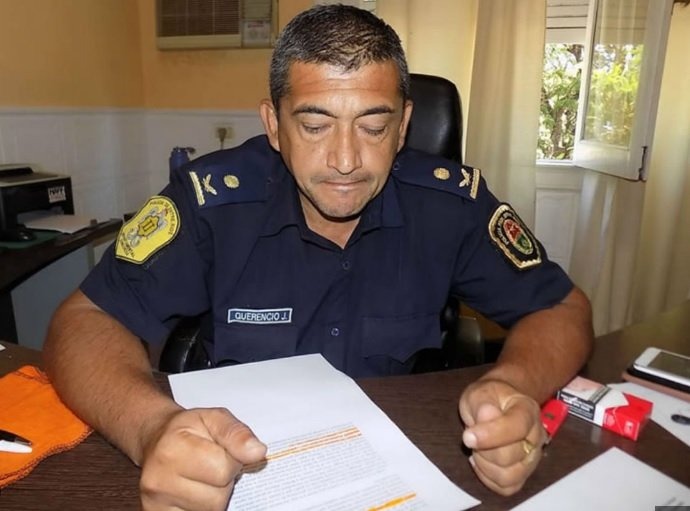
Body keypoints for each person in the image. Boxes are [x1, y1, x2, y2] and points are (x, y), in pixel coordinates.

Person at [43, 4, 593, 510]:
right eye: (314, 125)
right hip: (241, 468)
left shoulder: (451, 204)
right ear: (273, 124)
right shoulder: (211, 203)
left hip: (398, 468)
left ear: (404, 126)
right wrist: (150, 427)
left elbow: (562, 307)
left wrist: (514, 386)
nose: (346, 159)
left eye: (373, 127)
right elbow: (85, 320)